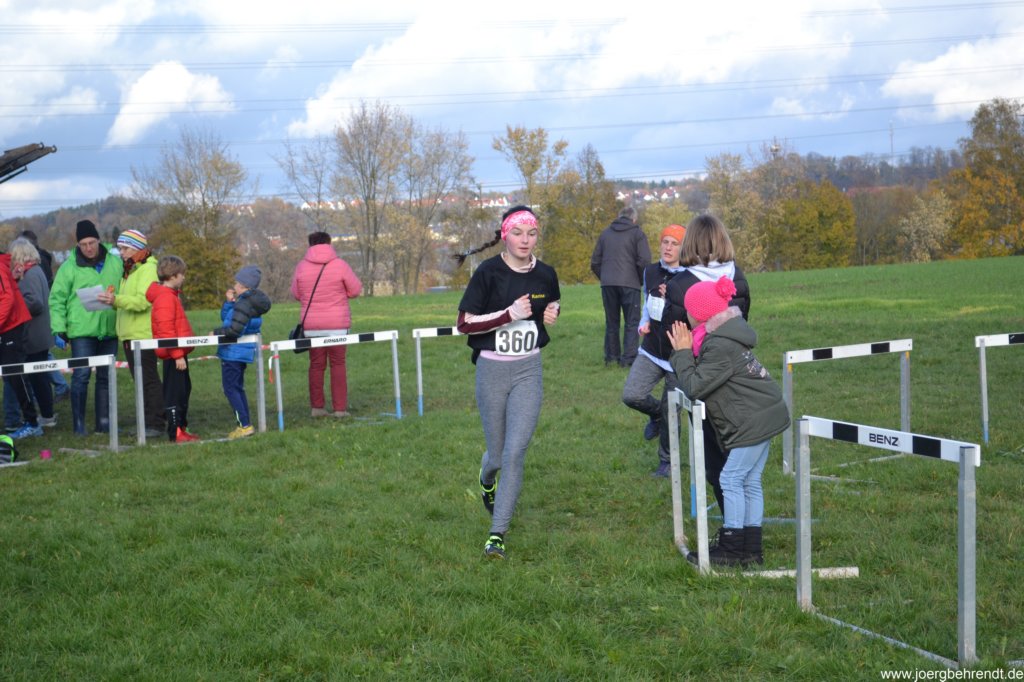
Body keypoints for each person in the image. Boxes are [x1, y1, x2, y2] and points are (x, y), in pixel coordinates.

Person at [455, 205, 561, 560]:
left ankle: (496, 534)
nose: (525, 240)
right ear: (505, 235)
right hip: (492, 370)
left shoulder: (546, 273)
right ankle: (487, 478)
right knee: (498, 455)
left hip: (529, 369)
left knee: (515, 453)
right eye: (518, 233)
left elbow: (552, 302)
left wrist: (553, 312)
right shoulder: (488, 272)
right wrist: (508, 315)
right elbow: (464, 323)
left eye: (531, 233)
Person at [667, 276, 788, 567]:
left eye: (689, 310)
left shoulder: (719, 345)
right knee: (750, 481)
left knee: (731, 479)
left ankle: (732, 547)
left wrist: (682, 354)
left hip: (753, 420)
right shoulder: (723, 337)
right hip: (765, 414)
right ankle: (750, 549)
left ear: (699, 315)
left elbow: (695, 387)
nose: (686, 315)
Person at [662, 214, 750, 504]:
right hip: (738, 376)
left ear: (690, 243)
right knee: (738, 457)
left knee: (716, 463)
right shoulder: (738, 278)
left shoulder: (680, 285)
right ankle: (745, 523)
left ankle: (734, 527)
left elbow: (671, 339)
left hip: (702, 379)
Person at [621, 224, 686, 478]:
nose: (668, 248)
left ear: (683, 248)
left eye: (674, 243)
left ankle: (667, 462)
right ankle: (657, 415)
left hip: (678, 353)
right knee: (632, 394)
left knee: (673, 410)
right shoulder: (650, 271)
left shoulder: (691, 276)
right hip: (651, 349)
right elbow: (647, 302)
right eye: (665, 242)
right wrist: (644, 322)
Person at [48, 219, 123, 435]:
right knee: (81, 376)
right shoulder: (68, 267)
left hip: (109, 329)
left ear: (99, 240)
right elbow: (57, 299)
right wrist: (59, 329)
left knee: (105, 377)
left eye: (91, 243)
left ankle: (104, 423)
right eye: (83, 244)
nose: (88, 248)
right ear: (78, 245)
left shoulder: (115, 262)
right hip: (81, 331)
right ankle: (79, 425)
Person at [96, 229, 165, 437]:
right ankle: (147, 422)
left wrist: (116, 300)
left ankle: (156, 423)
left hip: (142, 335)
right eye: (120, 248)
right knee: (141, 381)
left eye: (125, 248)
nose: (122, 252)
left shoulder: (147, 269)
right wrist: (113, 300)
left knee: (148, 380)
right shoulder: (131, 269)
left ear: (137, 248)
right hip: (129, 334)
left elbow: (144, 301)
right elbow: (130, 300)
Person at [290, 232, 362, 418]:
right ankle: (340, 409)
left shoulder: (301, 267)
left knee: (316, 365)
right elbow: (355, 290)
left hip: (312, 325)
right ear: (329, 243)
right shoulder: (340, 265)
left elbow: (296, 294)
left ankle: (317, 407)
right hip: (337, 324)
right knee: (338, 364)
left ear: (310, 244)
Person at [213, 265, 271, 439]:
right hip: (240, 352)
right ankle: (245, 424)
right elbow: (228, 318)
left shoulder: (244, 304)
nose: (234, 286)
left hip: (233, 352)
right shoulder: (246, 302)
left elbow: (234, 329)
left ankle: (244, 425)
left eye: (237, 283)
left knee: (230, 389)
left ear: (244, 286)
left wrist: (215, 333)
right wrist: (229, 303)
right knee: (236, 388)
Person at [3, 239, 56, 433]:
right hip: (39, 333)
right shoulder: (36, 270)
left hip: (33, 334)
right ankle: (46, 415)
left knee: (36, 378)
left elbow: (35, 303)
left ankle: (45, 416)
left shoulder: (30, 274)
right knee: (38, 377)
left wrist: (15, 307)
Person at [590, 206, 650, 367]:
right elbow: (644, 260)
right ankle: (628, 359)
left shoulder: (605, 234)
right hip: (630, 283)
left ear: (619, 217)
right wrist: (639, 279)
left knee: (611, 322)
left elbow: (595, 262)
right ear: (634, 219)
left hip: (608, 284)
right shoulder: (638, 234)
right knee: (632, 322)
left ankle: (611, 358)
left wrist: (605, 277)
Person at [147, 256, 198, 443]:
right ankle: (175, 432)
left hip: (177, 354)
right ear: (173, 276)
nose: (184, 277)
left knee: (184, 390)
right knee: (175, 394)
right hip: (173, 356)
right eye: (182, 274)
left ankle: (181, 428)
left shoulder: (171, 296)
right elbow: (166, 330)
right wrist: (177, 355)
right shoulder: (166, 298)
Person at [20, 230, 69, 403]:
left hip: (38, 327)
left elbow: (36, 302)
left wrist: (17, 308)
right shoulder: (41, 263)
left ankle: (58, 390)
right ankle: (57, 390)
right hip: (43, 324)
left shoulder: (32, 270)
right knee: (42, 363)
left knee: (40, 368)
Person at [0, 249, 43, 440]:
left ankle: (32, 422)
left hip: (12, 326)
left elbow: (7, 298)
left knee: (15, 375)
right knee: (11, 376)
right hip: (6, 325)